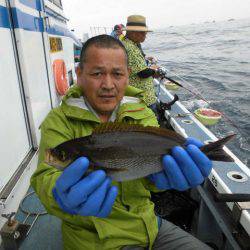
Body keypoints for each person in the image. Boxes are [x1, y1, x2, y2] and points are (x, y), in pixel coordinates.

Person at [30, 34, 212, 250]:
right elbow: (45, 176)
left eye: (117, 74)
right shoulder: (57, 120)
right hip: (94, 239)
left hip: (148, 225)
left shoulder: (142, 112)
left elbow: (146, 177)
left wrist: (164, 179)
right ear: (79, 74)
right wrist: (59, 195)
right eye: (97, 73)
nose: (108, 84)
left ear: (127, 76)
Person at [122, 15, 159, 114]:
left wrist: (145, 59)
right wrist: (155, 71)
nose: (145, 36)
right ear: (133, 33)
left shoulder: (127, 43)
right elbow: (142, 73)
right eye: (143, 33)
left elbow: (133, 63)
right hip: (143, 98)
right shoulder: (130, 48)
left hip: (135, 96)